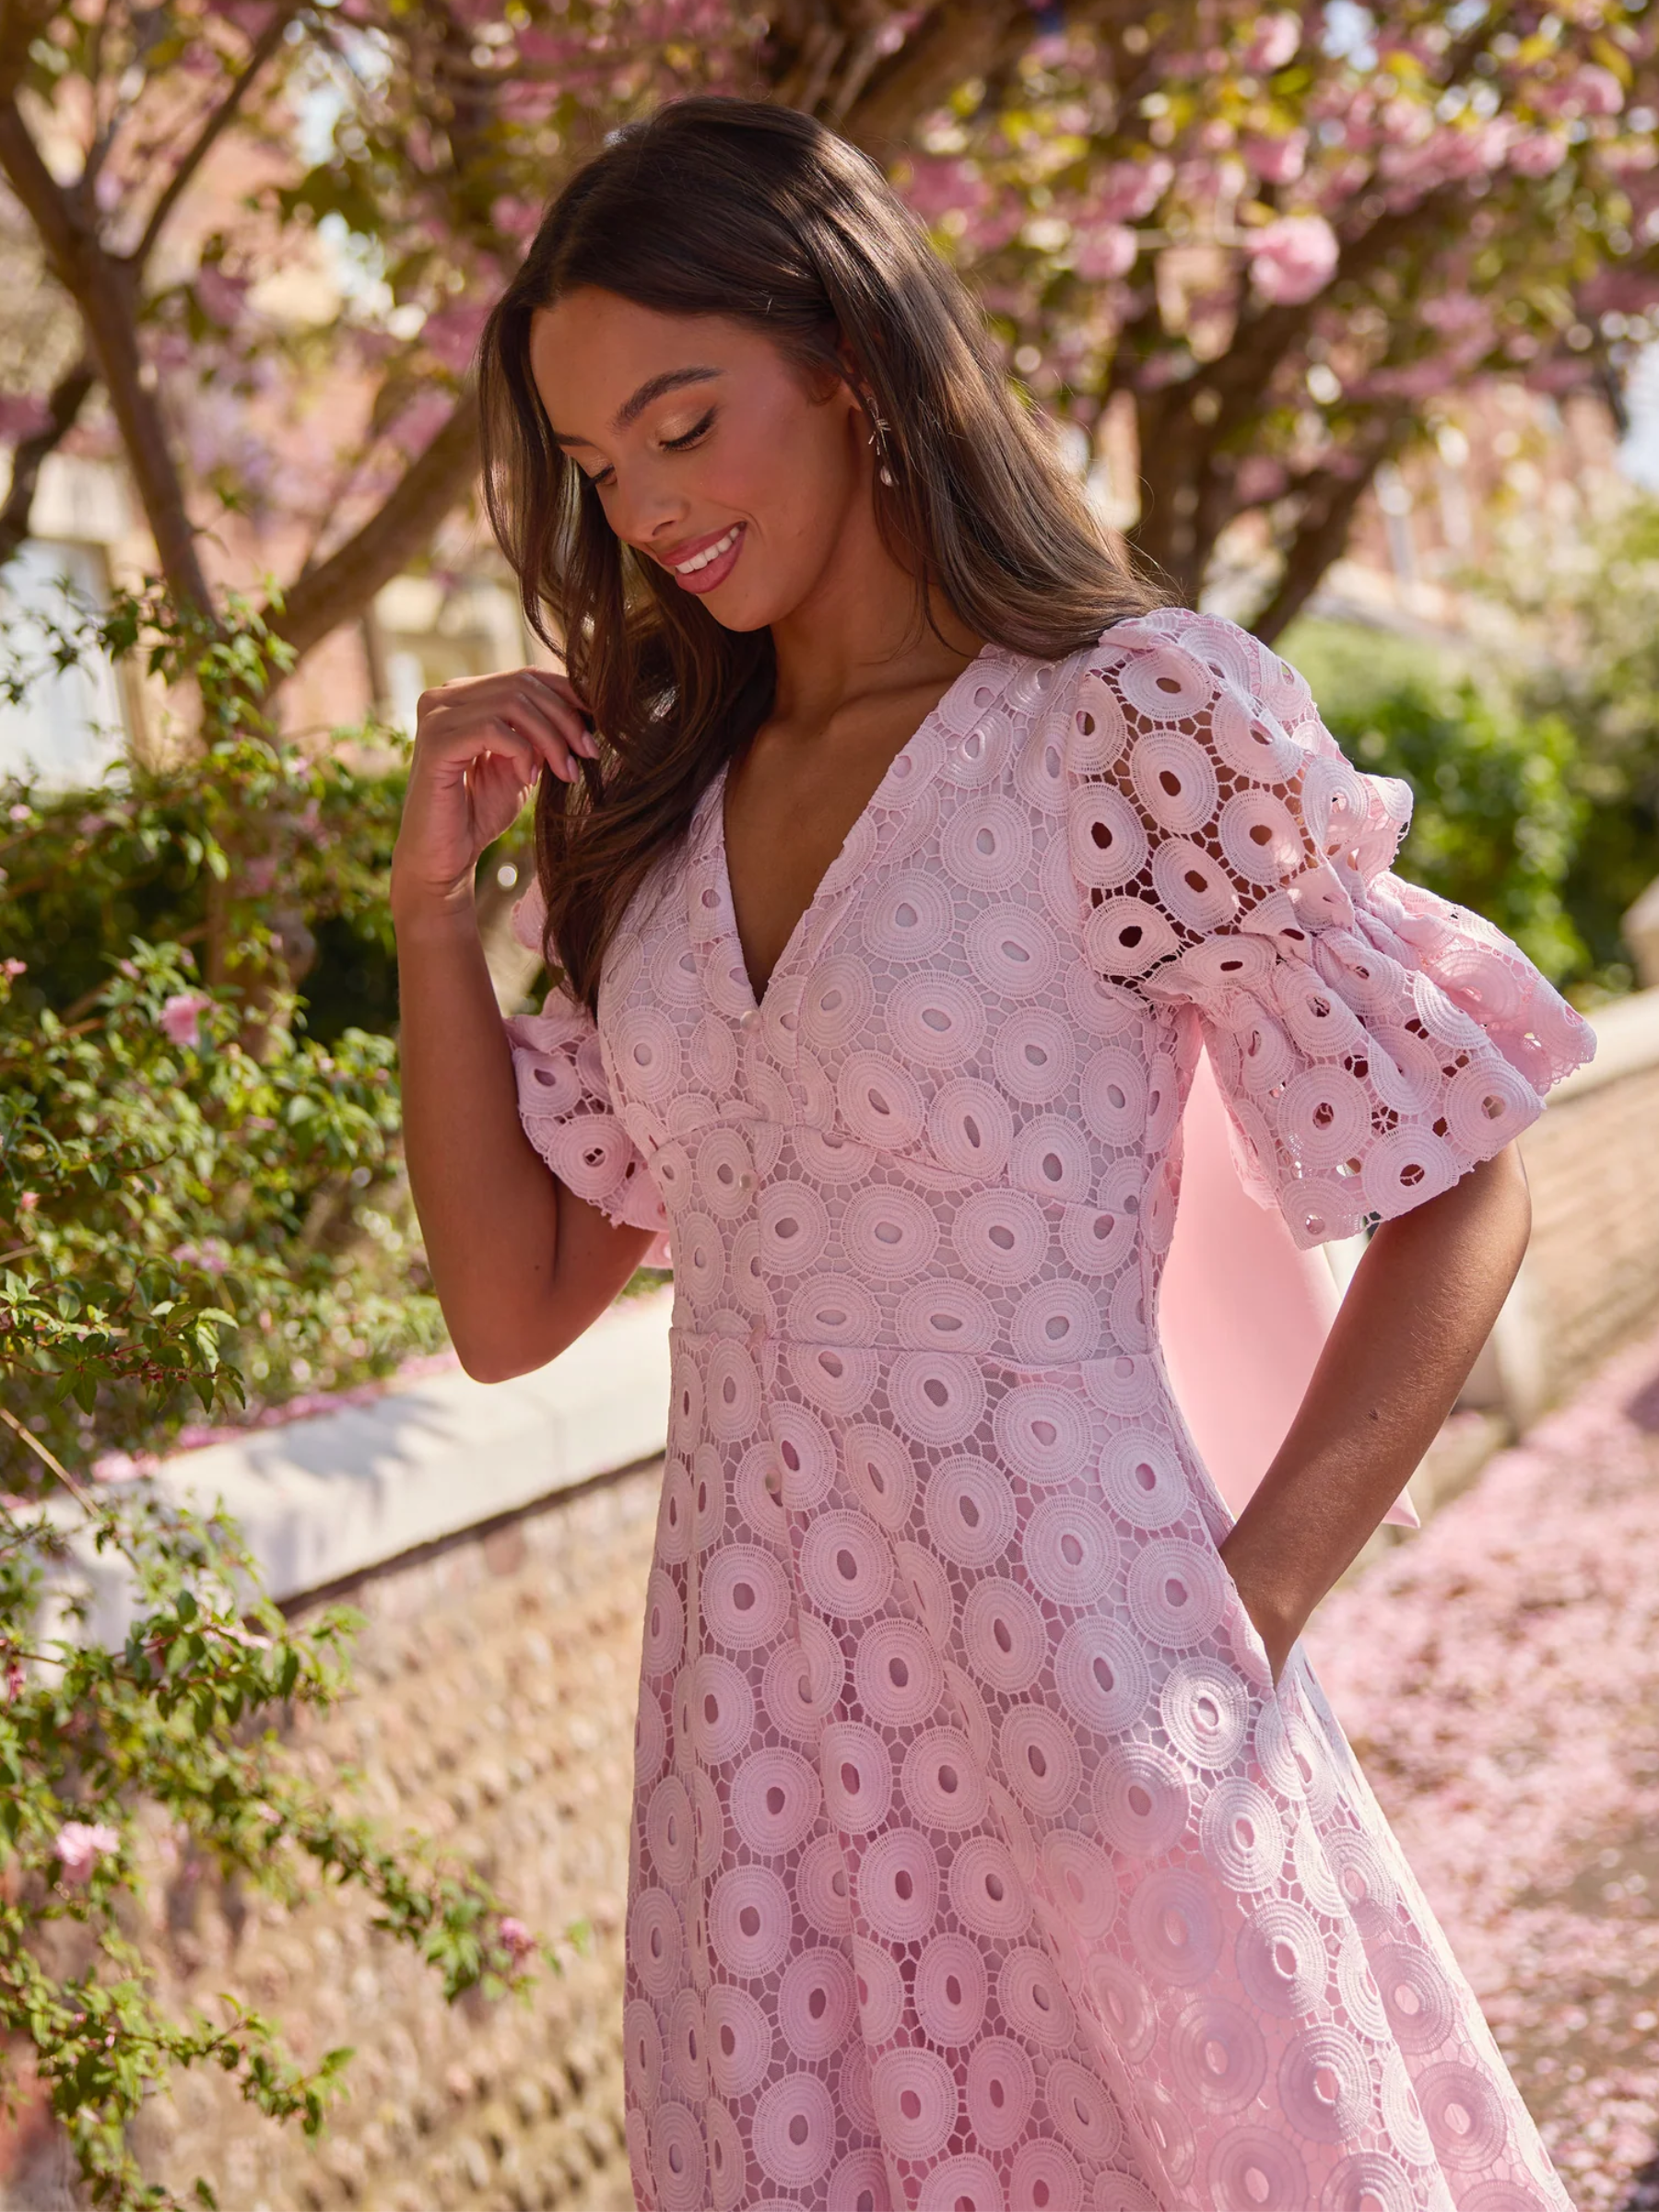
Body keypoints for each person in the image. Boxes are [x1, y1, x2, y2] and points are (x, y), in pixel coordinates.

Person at [391, 95, 1594, 2212]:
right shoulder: (653, 812)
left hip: (1102, 1681)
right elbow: (509, 1311)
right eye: (597, 464)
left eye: (685, 423)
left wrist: (1242, 1627)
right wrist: (429, 918)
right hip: (758, 1756)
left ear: (853, 363)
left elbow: (1459, 1173)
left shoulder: (1131, 719)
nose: (647, 507)